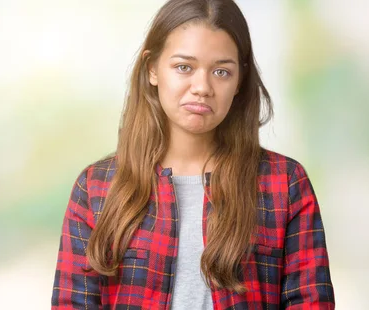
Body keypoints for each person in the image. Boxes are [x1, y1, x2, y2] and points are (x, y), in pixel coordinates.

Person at [50, 0, 335, 309]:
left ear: (240, 81)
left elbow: (310, 302)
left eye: (222, 72)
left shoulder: (285, 184)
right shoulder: (96, 187)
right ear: (152, 69)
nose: (202, 87)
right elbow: (73, 302)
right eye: (184, 67)